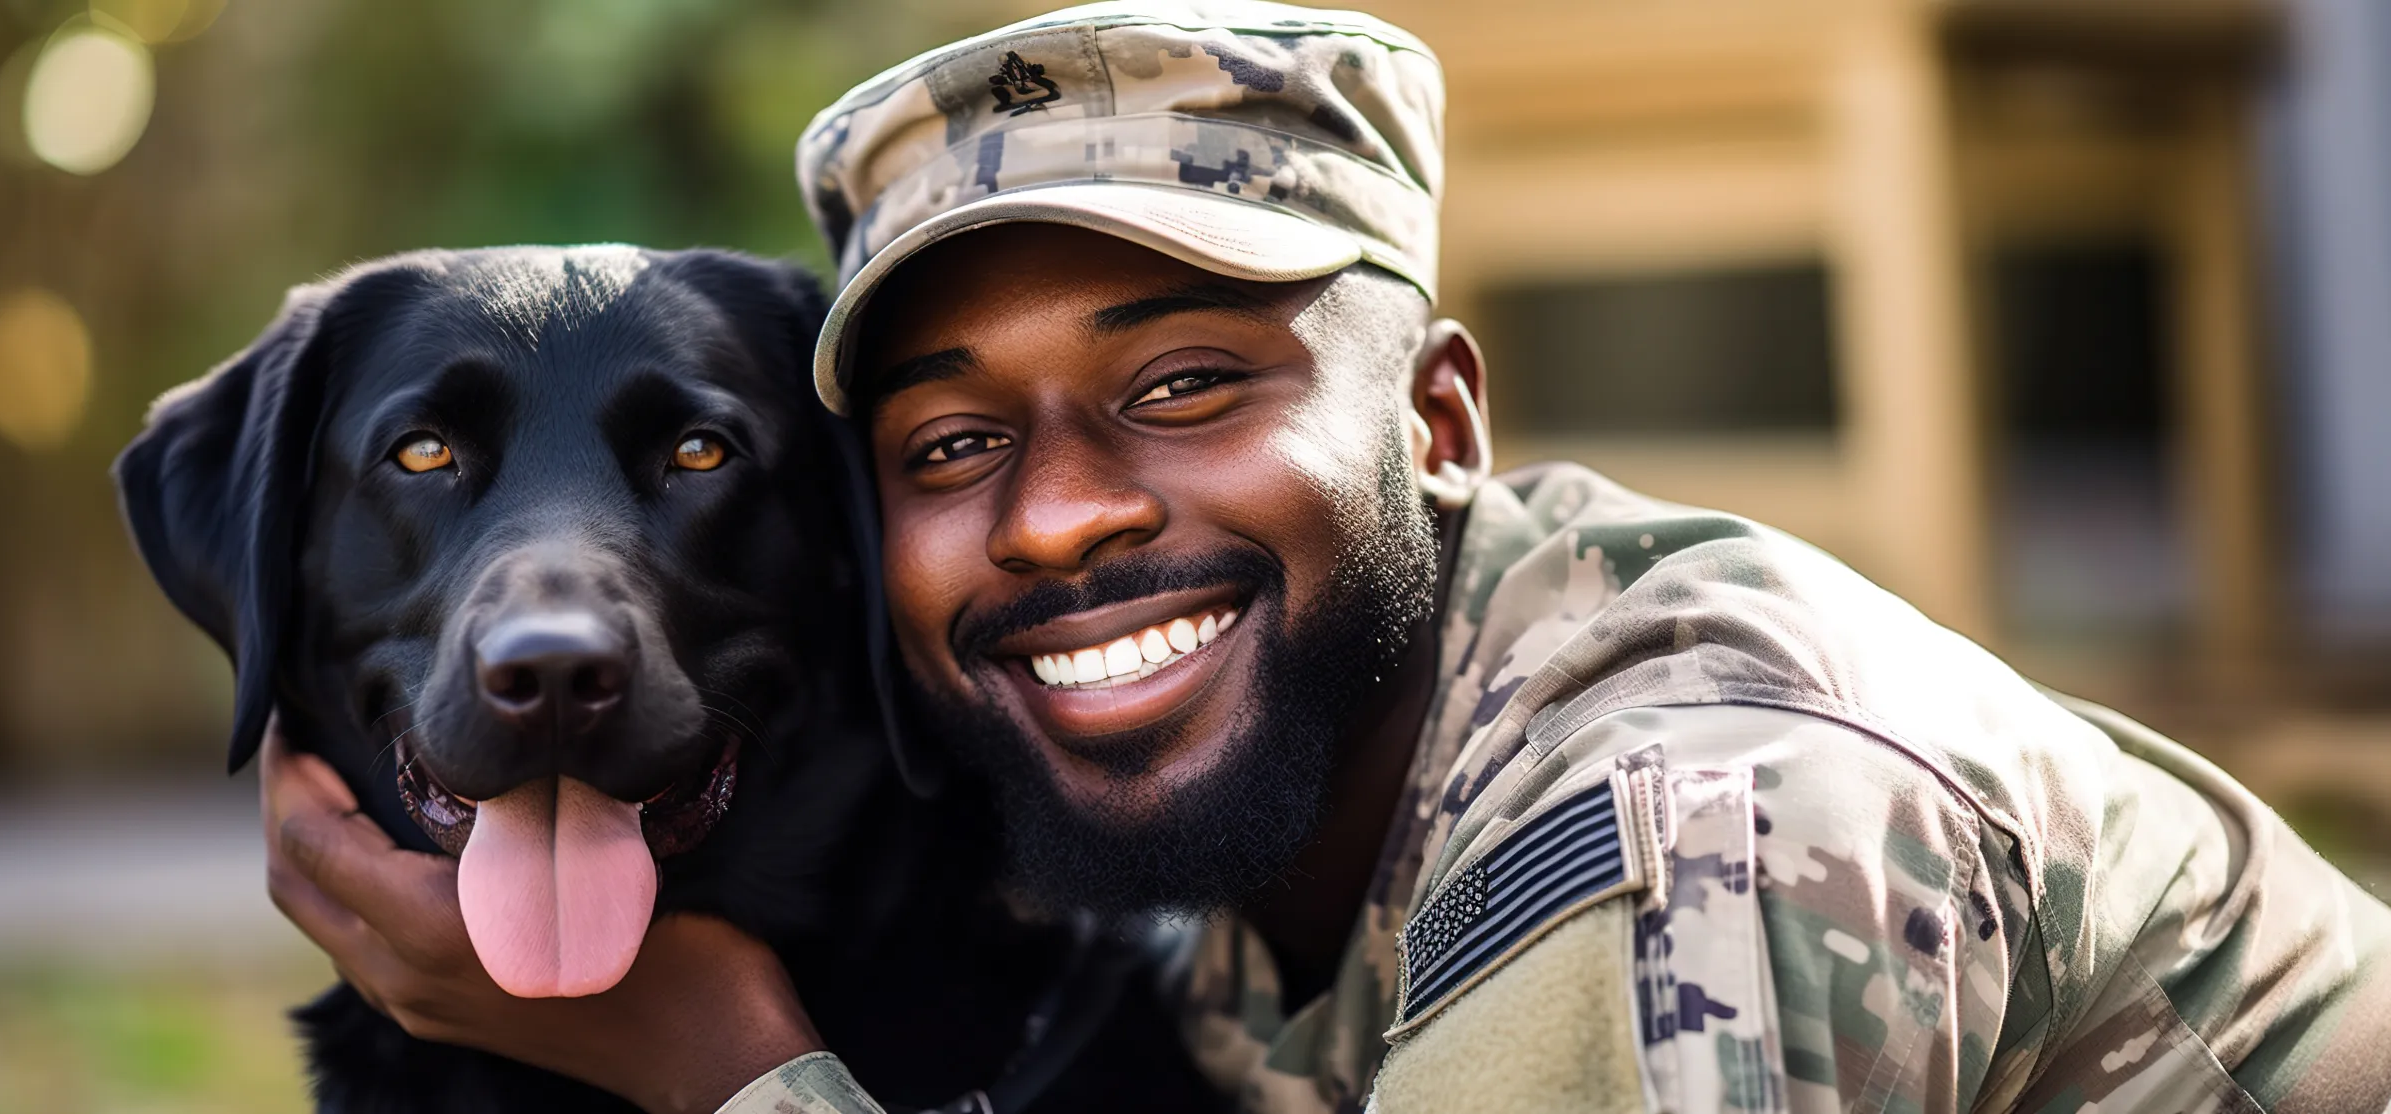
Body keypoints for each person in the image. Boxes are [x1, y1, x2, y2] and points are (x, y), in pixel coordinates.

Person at [260, 3, 2391, 1112]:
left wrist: (723, 1071)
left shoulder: (1693, 831)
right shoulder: (1181, 805)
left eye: (1185, 383)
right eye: (950, 439)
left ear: (1442, 423)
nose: (1061, 508)